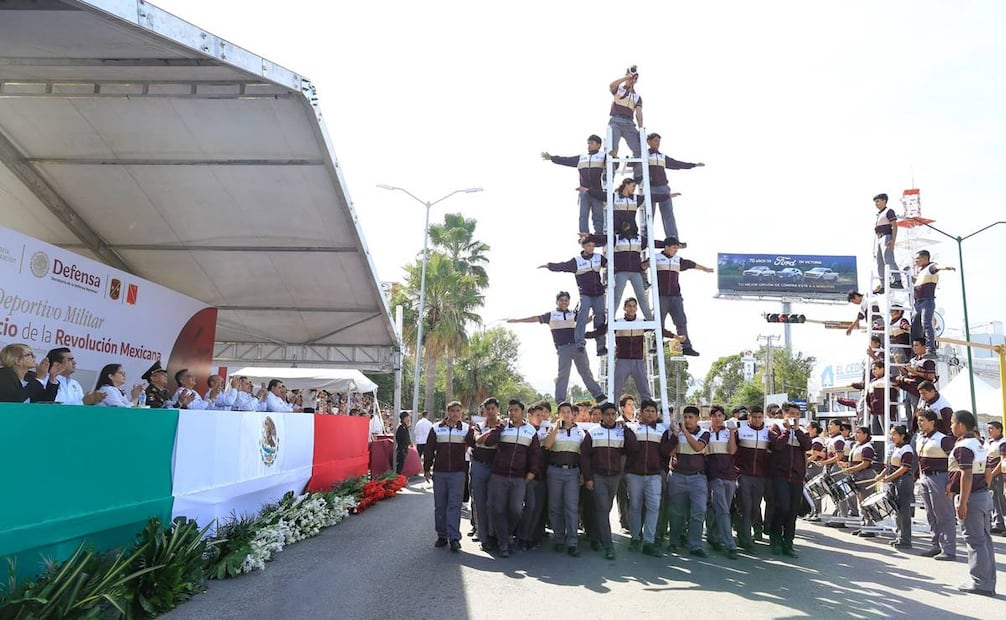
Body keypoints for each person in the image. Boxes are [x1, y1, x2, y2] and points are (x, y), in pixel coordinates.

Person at [506, 291, 605, 403]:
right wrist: (517, 320)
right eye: (561, 300)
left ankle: (599, 395)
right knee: (563, 374)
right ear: (557, 302)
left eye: (566, 300)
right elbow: (536, 318)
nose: (564, 302)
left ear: (569, 302)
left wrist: (596, 313)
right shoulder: (552, 315)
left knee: (585, 372)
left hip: (577, 346)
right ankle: (560, 401)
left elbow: (585, 321)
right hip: (563, 348)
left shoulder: (573, 314)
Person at [589, 298, 677, 401]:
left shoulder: (641, 322)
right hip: (622, 361)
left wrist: (675, 336)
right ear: (624, 308)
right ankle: (613, 411)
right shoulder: (617, 323)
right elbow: (600, 331)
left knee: (645, 391)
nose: (632, 309)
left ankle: (647, 412)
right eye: (629, 306)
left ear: (636, 308)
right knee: (615, 390)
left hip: (638, 361)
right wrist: (582, 335)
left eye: (634, 306)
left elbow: (659, 329)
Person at [484, 400, 540, 558]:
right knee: (498, 509)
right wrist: (499, 428)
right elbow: (489, 442)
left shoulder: (530, 431)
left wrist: (532, 472)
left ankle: (506, 534)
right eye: (510, 410)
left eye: (515, 410)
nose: (512, 413)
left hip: (519, 477)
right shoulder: (502, 427)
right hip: (499, 475)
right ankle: (503, 543)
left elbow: (535, 454)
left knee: (516, 510)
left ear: (522, 412)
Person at [948, 410, 996, 596]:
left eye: (952, 423)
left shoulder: (963, 446)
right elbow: (988, 471)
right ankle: (987, 580)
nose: (951, 427)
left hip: (972, 497)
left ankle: (980, 583)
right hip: (982, 495)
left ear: (960, 425)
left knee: (974, 540)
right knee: (984, 540)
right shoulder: (978, 443)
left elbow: (966, 475)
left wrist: (963, 502)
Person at [540, 237, 608, 356]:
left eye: (593, 246)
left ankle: (601, 347)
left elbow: (610, 264)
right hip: (586, 294)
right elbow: (563, 266)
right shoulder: (576, 261)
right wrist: (550, 266)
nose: (591, 248)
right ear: (583, 246)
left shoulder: (599, 258)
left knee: (600, 320)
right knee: (582, 317)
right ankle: (580, 343)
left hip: (599, 294)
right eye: (589, 246)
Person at [423, 401, 475, 552]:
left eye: (458, 411)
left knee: (454, 505)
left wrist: (475, 430)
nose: (455, 414)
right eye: (452, 411)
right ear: (447, 412)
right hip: (439, 473)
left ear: (461, 413)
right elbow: (429, 449)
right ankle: (442, 535)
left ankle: (454, 538)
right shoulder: (436, 428)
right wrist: (427, 468)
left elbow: (474, 443)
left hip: (458, 473)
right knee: (440, 506)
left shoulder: (466, 429)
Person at [624, 398, 673, 557]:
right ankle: (635, 538)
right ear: (641, 412)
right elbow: (630, 448)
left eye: (653, 411)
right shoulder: (631, 428)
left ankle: (649, 542)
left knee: (654, 508)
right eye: (647, 411)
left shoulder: (662, 430)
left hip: (654, 476)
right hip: (634, 475)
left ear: (656, 413)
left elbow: (665, 452)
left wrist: (675, 437)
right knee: (635, 507)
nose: (651, 413)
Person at [582, 219, 654, 320]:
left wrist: (666, 244)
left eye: (629, 226)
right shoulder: (616, 238)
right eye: (625, 226)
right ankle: (610, 320)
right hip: (621, 272)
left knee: (642, 297)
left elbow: (653, 242)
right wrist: (590, 237)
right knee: (616, 297)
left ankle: (651, 321)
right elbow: (603, 239)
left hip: (636, 272)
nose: (627, 228)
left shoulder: (639, 239)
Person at [654, 236, 712, 356]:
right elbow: (643, 266)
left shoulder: (677, 259)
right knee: (659, 322)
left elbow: (691, 264)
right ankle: (657, 345)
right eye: (674, 248)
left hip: (676, 296)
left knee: (681, 322)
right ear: (667, 247)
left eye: (677, 248)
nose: (676, 250)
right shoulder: (656, 258)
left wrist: (705, 269)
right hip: (661, 296)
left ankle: (686, 346)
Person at [581, 401, 624, 559]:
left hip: (614, 476)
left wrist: (626, 428)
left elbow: (633, 448)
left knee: (605, 509)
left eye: (613, 414)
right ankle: (608, 545)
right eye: (607, 414)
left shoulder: (621, 432)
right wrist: (588, 478)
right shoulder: (593, 432)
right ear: (602, 416)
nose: (611, 417)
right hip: (598, 476)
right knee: (601, 509)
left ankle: (596, 537)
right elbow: (585, 457)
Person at [767, 402, 811, 557]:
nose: (795, 417)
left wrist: (797, 430)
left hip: (797, 476)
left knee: (792, 511)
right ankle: (775, 538)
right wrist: (786, 430)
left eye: (797, 414)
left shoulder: (802, 430)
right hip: (780, 475)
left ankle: (788, 543)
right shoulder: (775, 427)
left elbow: (807, 445)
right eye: (792, 414)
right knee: (782, 507)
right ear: (784, 414)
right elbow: (777, 446)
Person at [543, 401, 586, 556]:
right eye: (563, 412)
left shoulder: (580, 432)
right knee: (555, 507)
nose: (566, 415)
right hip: (554, 471)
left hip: (572, 472)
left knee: (571, 507)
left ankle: (572, 542)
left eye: (569, 412)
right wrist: (555, 427)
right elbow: (547, 445)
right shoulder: (553, 429)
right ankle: (559, 538)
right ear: (559, 413)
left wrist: (583, 473)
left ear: (573, 414)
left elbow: (584, 455)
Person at [541, 135, 607, 235]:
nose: (589, 145)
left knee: (598, 215)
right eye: (588, 143)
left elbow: (614, 164)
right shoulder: (582, 157)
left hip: (597, 191)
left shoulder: (603, 156)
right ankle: (584, 234)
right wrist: (552, 158)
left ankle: (599, 235)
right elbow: (566, 160)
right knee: (583, 215)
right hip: (584, 191)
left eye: (591, 143)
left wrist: (615, 157)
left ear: (598, 145)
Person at [668, 405, 710, 557]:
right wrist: (674, 435)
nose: (687, 420)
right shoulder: (678, 434)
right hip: (678, 476)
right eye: (685, 417)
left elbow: (698, 447)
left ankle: (695, 545)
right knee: (676, 512)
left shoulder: (704, 433)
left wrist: (684, 433)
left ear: (697, 419)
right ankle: (674, 542)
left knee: (698, 512)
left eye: (691, 417)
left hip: (697, 478)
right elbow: (671, 452)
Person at [644, 133, 704, 239]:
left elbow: (676, 163)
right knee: (649, 215)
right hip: (651, 188)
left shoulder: (662, 156)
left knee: (668, 215)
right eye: (655, 140)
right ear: (648, 142)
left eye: (658, 141)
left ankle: (673, 238)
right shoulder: (644, 155)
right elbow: (635, 165)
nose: (657, 143)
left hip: (663, 187)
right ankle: (646, 237)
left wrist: (693, 165)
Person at [916, 408, 957, 560]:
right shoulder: (921, 438)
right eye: (918, 420)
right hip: (925, 477)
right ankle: (936, 545)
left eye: (922, 420)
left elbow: (954, 462)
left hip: (940, 477)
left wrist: (951, 483)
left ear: (932, 422)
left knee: (944, 514)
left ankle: (948, 549)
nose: (919, 423)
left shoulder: (943, 439)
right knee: (930, 513)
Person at [705, 405, 739, 559]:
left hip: (730, 475)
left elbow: (732, 451)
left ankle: (713, 536)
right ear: (710, 417)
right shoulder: (706, 433)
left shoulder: (729, 432)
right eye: (715, 415)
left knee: (721, 508)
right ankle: (730, 544)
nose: (718, 418)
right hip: (714, 475)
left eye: (720, 415)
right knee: (723, 509)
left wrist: (732, 432)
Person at [874, 425, 915, 549]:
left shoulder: (907, 449)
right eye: (891, 434)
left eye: (894, 434)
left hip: (903, 481)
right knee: (897, 511)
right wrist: (881, 476)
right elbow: (889, 467)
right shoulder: (894, 448)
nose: (891, 437)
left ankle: (906, 539)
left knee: (904, 511)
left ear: (902, 436)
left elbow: (905, 468)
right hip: (894, 480)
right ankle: (899, 536)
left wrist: (889, 478)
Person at [735, 405, 771, 549]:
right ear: (749, 417)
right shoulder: (741, 431)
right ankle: (745, 539)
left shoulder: (768, 433)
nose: (757, 420)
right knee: (745, 506)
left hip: (760, 476)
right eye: (754, 417)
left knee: (755, 508)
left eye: (759, 417)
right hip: (743, 475)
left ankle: (743, 533)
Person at [910, 250, 955, 355]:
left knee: (926, 324)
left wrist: (946, 267)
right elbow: (918, 283)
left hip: (927, 301)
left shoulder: (930, 267)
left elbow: (938, 267)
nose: (916, 261)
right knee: (915, 325)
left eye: (918, 259)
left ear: (925, 258)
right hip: (918, 303)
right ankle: (916, 349)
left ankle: (931, 348)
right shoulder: (922, 271)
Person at [517, 403, 548, 551]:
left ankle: (531, 537)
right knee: (529, 506)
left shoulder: (546, 431)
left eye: (543, 416)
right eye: (538, 416)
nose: (541, 419)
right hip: (527, 475)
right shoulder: (524, 431)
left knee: (537, 509)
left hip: (542, 476)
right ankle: (521, 537)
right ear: (529, 416)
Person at [837, 426, 877, 537]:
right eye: (855, 432)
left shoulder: (867, 447)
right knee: (860, 502)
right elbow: (854, 461)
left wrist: (850, 469)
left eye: (858, 433)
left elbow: (865, 463)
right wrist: (845, 465)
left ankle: (870, 527)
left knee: (866, 501)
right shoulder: (856, 445)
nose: (856, 434)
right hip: (856, 475)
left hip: (865, 476)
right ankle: (863, 525)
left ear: (866, 435)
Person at [469, 399, 499, 549]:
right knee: (480, 502)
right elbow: (477, 441)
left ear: (498, 409)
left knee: (492, 504)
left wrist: (489, 436)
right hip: (479, 466)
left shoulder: (505, 426)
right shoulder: (479, 425)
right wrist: (492, 432)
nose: (490, 411)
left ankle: (494, 535)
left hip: (496, 468)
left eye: (493, 408)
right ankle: (483, 538)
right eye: (488, 409)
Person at [607, 67, 644, 177]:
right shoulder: (619, 89)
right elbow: (611, 86)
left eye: (633, 78)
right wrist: (625, 78)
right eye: (629, 76)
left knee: (639, 150)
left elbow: (638, 113)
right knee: (612, 149)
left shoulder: (637, 97)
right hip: (616, 120)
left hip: (629, 123)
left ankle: (638, 176)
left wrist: (641, 128)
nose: (630, 79)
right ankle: (610, 174)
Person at [850, 361, 899, 436]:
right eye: (872, 370)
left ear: (882, 369)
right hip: (874, 411)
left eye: (875, 369)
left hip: (885, 411)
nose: (873, 372)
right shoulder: (872, 381)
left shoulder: (891, 379)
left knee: (888, 433)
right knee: (875, 433)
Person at [894, 338, 938, 413]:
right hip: (909, 389)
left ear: (924, 347)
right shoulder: (912, 360)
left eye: (917, 345)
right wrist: (897, 363)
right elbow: (906, 373)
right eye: (913, 346)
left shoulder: (928, 361)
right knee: (908, 414)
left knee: (917, 413)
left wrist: (916, 372)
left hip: (918, 391)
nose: (914, 348)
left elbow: (931, 376)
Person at [871, 193, 903, 293]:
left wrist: (893, 240)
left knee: (888, 259)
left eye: (878, 201)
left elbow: (894, 225)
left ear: (884, 201)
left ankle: (897, 280)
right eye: (875, 202)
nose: (876, 204)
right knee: (879, 263)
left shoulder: (889, 211)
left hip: (886, 236)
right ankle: (883, 284)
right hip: (879, 238)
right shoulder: (879, 214)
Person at [986, 421, 1006, 534]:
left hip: (999, 474)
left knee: (1002, 499)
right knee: (994, 499)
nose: (989, 431)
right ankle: (999, 523)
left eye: (991, 428)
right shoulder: (989, 442)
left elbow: (1003, 460)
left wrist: (993, 473)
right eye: (988, 429)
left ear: (999, 429)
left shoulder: (1003, 443)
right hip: (990, 473)